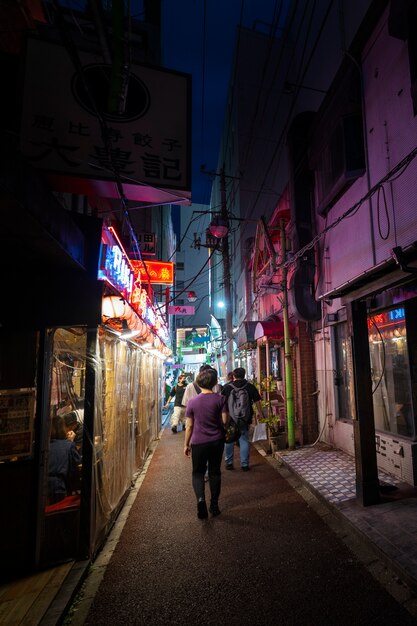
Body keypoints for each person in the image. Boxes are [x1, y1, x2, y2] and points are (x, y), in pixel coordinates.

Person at [184, 367, 229, 519]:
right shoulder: (220, 399)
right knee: (215, 471)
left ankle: (201, 500)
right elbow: (225, 421)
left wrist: (186, 444)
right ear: (214, 382)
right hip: (217, 441)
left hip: (198, 442)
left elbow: (189, 426)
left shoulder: (192, 402)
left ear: (199, 383)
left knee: (198, 473)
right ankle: (214, 505)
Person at [221, 367, 264, 471]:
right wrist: (260, 413)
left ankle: (229, 463)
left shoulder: (227, 388)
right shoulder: (250, 387)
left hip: (231, 418)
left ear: (234, 376)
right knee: (244, 439)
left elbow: (222, 404)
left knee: (229, 440)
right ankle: (244, 464)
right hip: (245, 418)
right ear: (244, 375)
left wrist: (223, 419)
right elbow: (258, 401)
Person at [48, 416, 82, 504]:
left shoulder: (39, 446)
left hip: (39, 487)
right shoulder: (68, 445)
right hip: (59, 489)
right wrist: (70, 442)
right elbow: (78, 464)